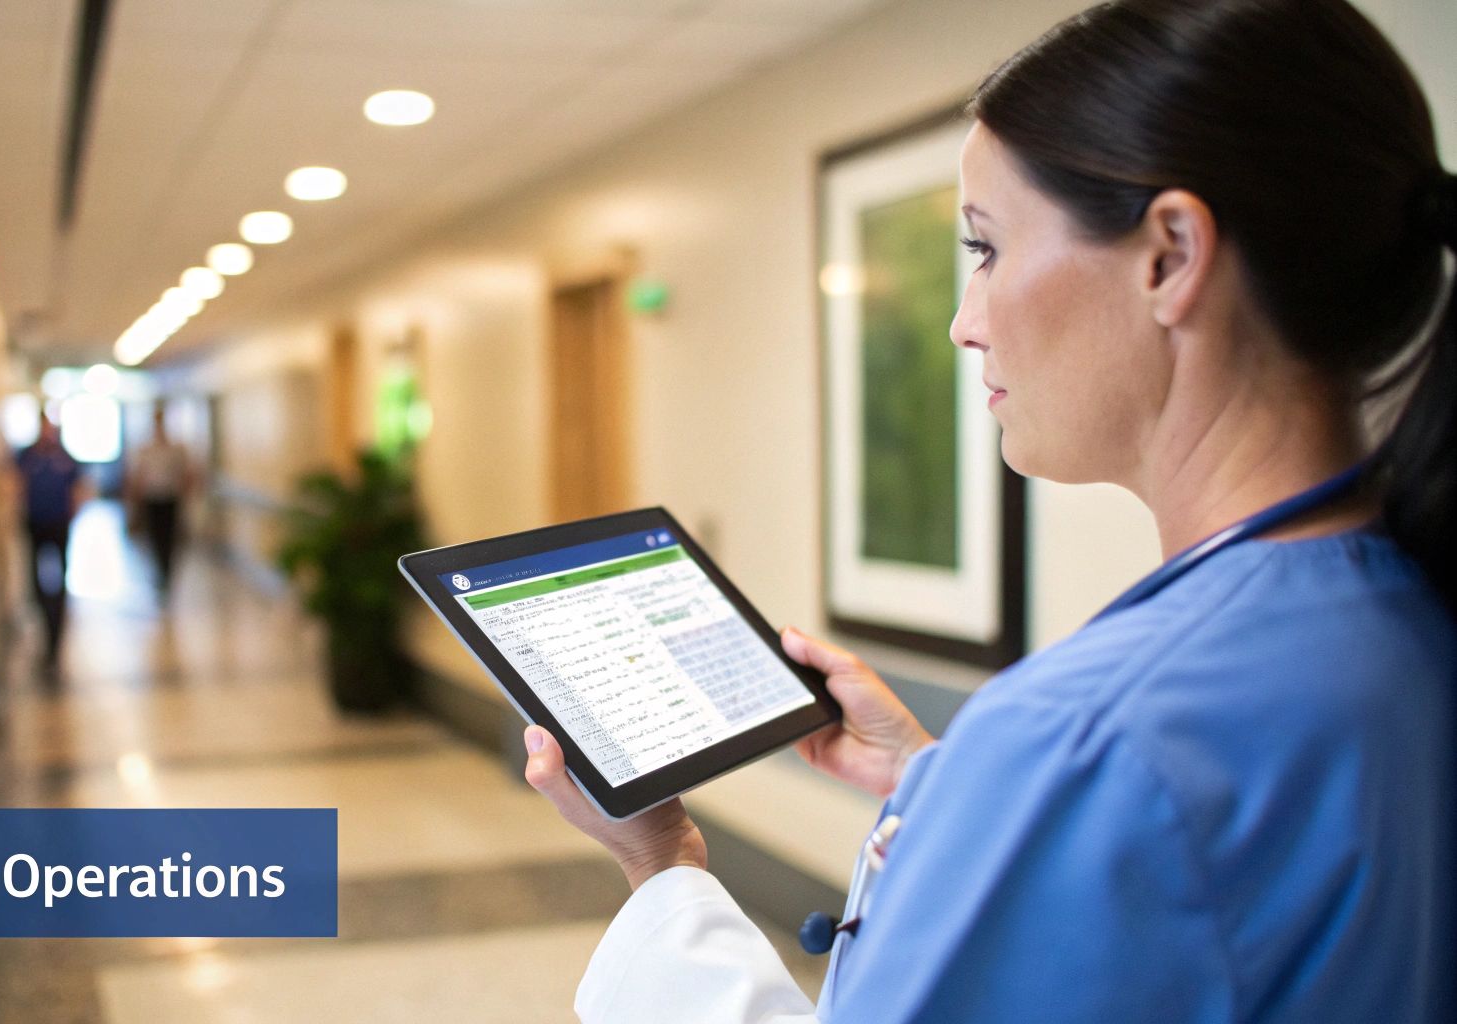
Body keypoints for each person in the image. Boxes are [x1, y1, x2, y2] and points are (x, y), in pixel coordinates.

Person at [522, 1, 1456, 1020]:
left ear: (1170, 256)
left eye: (985, 248)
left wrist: (660, 865)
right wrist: (951, 788)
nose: (964, 325)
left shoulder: (1090, 736)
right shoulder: (1401, 613)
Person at [11, 410, 86, 676]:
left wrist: (74, 513)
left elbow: (79, 488)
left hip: (59, 524)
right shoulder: (26, 456)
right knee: (36, 583)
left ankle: (55, 640)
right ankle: (44, 617)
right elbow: (13, 485)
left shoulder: (65, 457)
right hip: (35, 523)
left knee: (60, 581)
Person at [124, 405, 199, 597]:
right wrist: (134, 504)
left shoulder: (176, 449)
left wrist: (186, 493)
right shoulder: (146, 449)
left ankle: (167, 573)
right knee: (155, 538)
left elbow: (189, 474)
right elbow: (138, 477)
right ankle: (160, 573)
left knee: (170, 539)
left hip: (171, 499)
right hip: (152, 500)